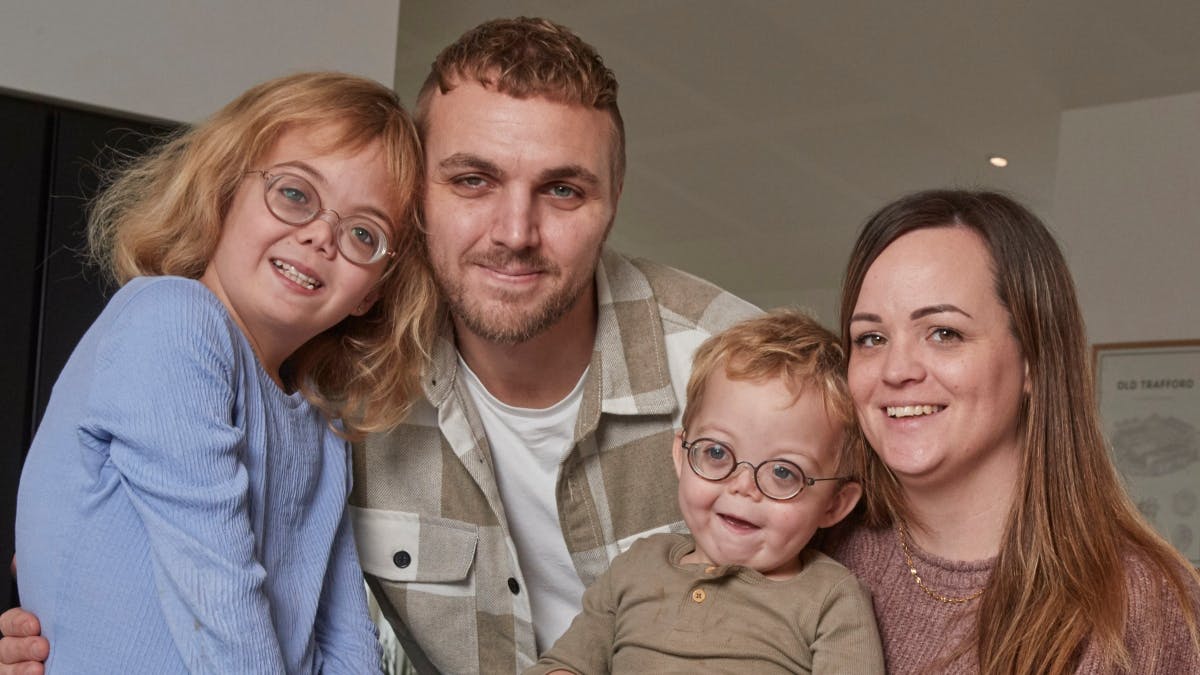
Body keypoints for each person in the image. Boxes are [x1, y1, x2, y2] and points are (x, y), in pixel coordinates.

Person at [0, 17, 759, 675]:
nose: (515, 232)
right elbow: (199, 571)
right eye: (472, 180)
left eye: (563, 189)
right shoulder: (350, 387)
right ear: (420, 207)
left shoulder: (742, 368)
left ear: (612, 202)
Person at [10, 72, 437, 673]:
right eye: (294, 194)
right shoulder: (171, 319)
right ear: (225, 190)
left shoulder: (321, 422)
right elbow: (222, 601)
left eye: (364, 233)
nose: (320, 235)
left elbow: (345, 642)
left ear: (372, 294)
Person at [831, 189, 1200, 673]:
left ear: (1033, 361)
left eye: (945, 333)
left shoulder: (1146, 605)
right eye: (871, 338)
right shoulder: (811, 549)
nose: (896, 370)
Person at [527, 310, 884, 674]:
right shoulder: (638, 566)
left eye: (782, 472)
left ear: (835, 505)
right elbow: (563, 665)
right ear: (681, 457)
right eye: (716, 453)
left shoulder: (830, 598)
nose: (742, 486)